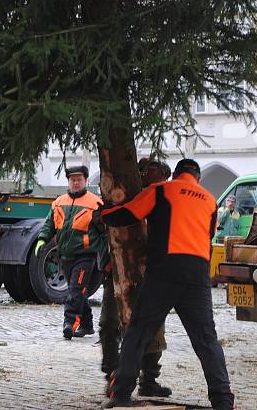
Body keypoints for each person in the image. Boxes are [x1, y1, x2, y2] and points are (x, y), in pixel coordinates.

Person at [99, 159, 234, 410]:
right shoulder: (209, 200)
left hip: (164, 271)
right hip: (197, 276)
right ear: (198, 178)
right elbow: (209, 233)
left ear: (176, 174)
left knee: (138, 331)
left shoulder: (162, 189)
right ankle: (223, 400)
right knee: (206, 339)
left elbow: (129, 213)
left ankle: (121, 394)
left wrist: (104, 214)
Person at [99, 159, 172, 398]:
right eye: (153, 177)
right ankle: (112, 374)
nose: (158, 182)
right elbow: (104, 225)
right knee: (110, 324)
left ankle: (148, 379)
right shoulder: (125, 196)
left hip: (150, 272)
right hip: (118, 270)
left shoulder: (165, 202)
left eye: (160, 178)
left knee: (154, 328)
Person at [35, 165, 108, 339]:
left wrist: (106, 255)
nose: (76, 183)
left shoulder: (95, 203)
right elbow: (49, 224)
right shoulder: (59, 202)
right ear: (68, 181)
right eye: (72, 180)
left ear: (86, 181)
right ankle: (87, 324)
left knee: (75, 290)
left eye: (79, 180)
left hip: (85, 255)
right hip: (65, 255)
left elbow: (104, 231)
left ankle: (70, 323)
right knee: (79, 291)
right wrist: (42, 239)